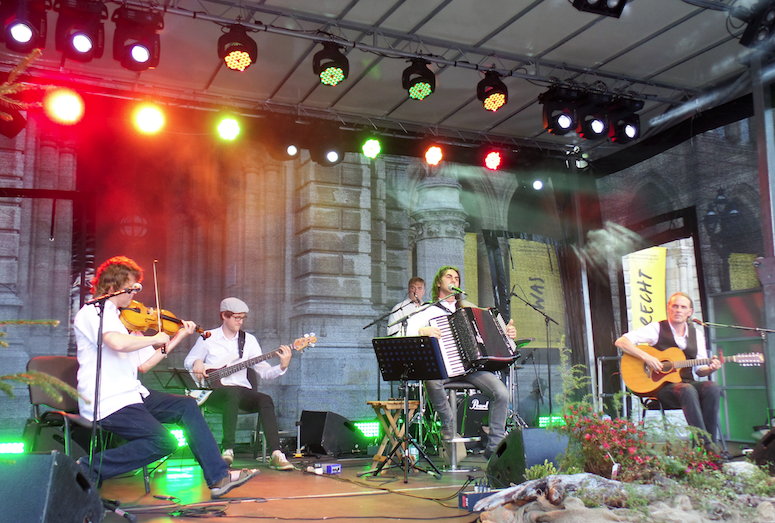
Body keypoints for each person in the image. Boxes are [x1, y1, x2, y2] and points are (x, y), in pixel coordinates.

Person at [74, 256, 257, 499]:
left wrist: (178, 336)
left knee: (187, 406)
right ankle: (86, 468)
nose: (135, 295)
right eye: (132, 287)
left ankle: (218, 477)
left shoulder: (123, 321)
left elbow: (144, 364)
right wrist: (152, 338)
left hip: (133, 394)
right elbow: (115, 342)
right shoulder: (93, 311)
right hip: (107, 400)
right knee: (165, 442)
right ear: (113, 286)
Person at [405, 265, 517, 459]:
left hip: (471, 368)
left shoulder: (470, 308)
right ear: (439, 282)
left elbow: (498, 336)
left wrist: (508, 334)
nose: (454, 280)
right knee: (431, 380)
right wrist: (422, 331)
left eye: (457, 278)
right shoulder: (427, 311)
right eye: (449, 277)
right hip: (445, 368)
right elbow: (407, 333)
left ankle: (495, 446)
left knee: (501, 392)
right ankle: (448, 427)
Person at [185, 297, 294, 471]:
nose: (240, 321)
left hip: (241, 392)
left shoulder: (248, 340)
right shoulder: (208, 337)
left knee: (265, 399)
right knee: (231, 393)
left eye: (242, 317)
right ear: (224, 316)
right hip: (214, 393)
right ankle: (228, 449)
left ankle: (276, 454)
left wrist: (282, 366)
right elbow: (189, 360)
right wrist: (196, 362)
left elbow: (264, 372)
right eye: (236, 317)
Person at [615, 292, 722, 449]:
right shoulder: (657, 328)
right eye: (675, 306)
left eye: (683, 307)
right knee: (687, 389)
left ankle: (708, 443)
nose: (678, 310)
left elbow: (700, 371)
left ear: (690, 312)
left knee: (712, 387)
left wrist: (710, 368)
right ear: (668, 309)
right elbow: (621, 341)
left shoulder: (696, 335)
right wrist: (647, 357)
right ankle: (706, 446)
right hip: (661, 388)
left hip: (686, 383)